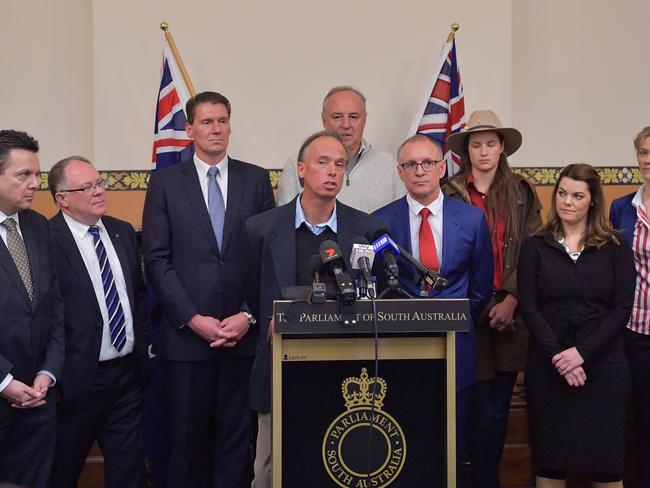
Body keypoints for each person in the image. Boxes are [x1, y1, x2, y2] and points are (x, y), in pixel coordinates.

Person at [143, 91, 275, 488]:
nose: (215, 129)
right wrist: (193, 319)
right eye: (206, 122)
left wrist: (249, 315)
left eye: (222, 121)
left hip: (242, 338)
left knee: (236, 444)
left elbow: (267, 257)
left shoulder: (255, 179)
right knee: (187, 444)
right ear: (190, 129)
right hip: (186, 340)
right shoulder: (165, 183)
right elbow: (157, 260)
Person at [247, 130, 385, 488]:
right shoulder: (261, 229)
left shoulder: (366, 229)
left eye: (340, 164)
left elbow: (380, 295)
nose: (332, 171)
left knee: (339, 468)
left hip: (346, 372)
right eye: (323, 162)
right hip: (279, 372)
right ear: (301, 169)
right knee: (271, 472)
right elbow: (246, 294)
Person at [373, 134, 493, 472]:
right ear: (400, 172)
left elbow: (480, 287)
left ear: (442, 168)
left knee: (451, 444)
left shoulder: (470, 219)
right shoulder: (381, 222)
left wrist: (449, 316)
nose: (420, 171)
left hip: (456, 346)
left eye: (428, 163)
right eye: (411, 165)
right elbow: (381, 282)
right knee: (403, 440)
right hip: (401, 349)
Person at [518, 164, 635, 488]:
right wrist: (560, 356)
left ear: (593, 201)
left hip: (604, 366)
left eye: (577, 196)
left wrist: (581, 354)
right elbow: (529, 307)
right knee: (551, 463)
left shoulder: (616, 246)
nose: (567, 201)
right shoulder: (535, 245)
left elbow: (621, 308)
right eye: (562, 193)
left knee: (607, 466)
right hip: (549, 365)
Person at [444, 109, 542, 488]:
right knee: (466, 404)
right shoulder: (450, 191)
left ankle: (488, 480)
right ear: (466, 150)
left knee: (496, 410)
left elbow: (534, 249)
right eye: (476, 144)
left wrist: (513, 297)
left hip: (511, 313)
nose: (484, 151)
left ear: (502, 148)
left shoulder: (521, 191)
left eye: (491, 143)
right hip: (467, 309)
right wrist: (478, 300)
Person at [47, 156, 149, 488]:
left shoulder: (121, 231)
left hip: (127, 377)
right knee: (62, 471)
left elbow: (137, 296)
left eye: (99, 183)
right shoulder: (47, 239)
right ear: (62, 198)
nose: (98, 191)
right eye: (86, 187)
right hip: (76, 383)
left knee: (129, 472)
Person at [0, 130, 64, 487]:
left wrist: (49, 372)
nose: (34, 184)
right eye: (23, 175)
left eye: (36, 175)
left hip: (39, 398)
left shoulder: (40, 226)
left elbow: (55, 307)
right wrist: (4, 381)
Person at [277, 86, 405, 213]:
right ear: (324, 120)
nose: (346, 125)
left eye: (354, 117)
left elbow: (400, 217)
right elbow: (284, 221)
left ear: (364, 120)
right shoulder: (297, 163)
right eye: (337, 117)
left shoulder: (388, 164)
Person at [609, 126, 650, 488]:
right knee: (638, 418)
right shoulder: (622, 207)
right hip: (634, 328)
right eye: (643, 152)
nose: (649, 159)